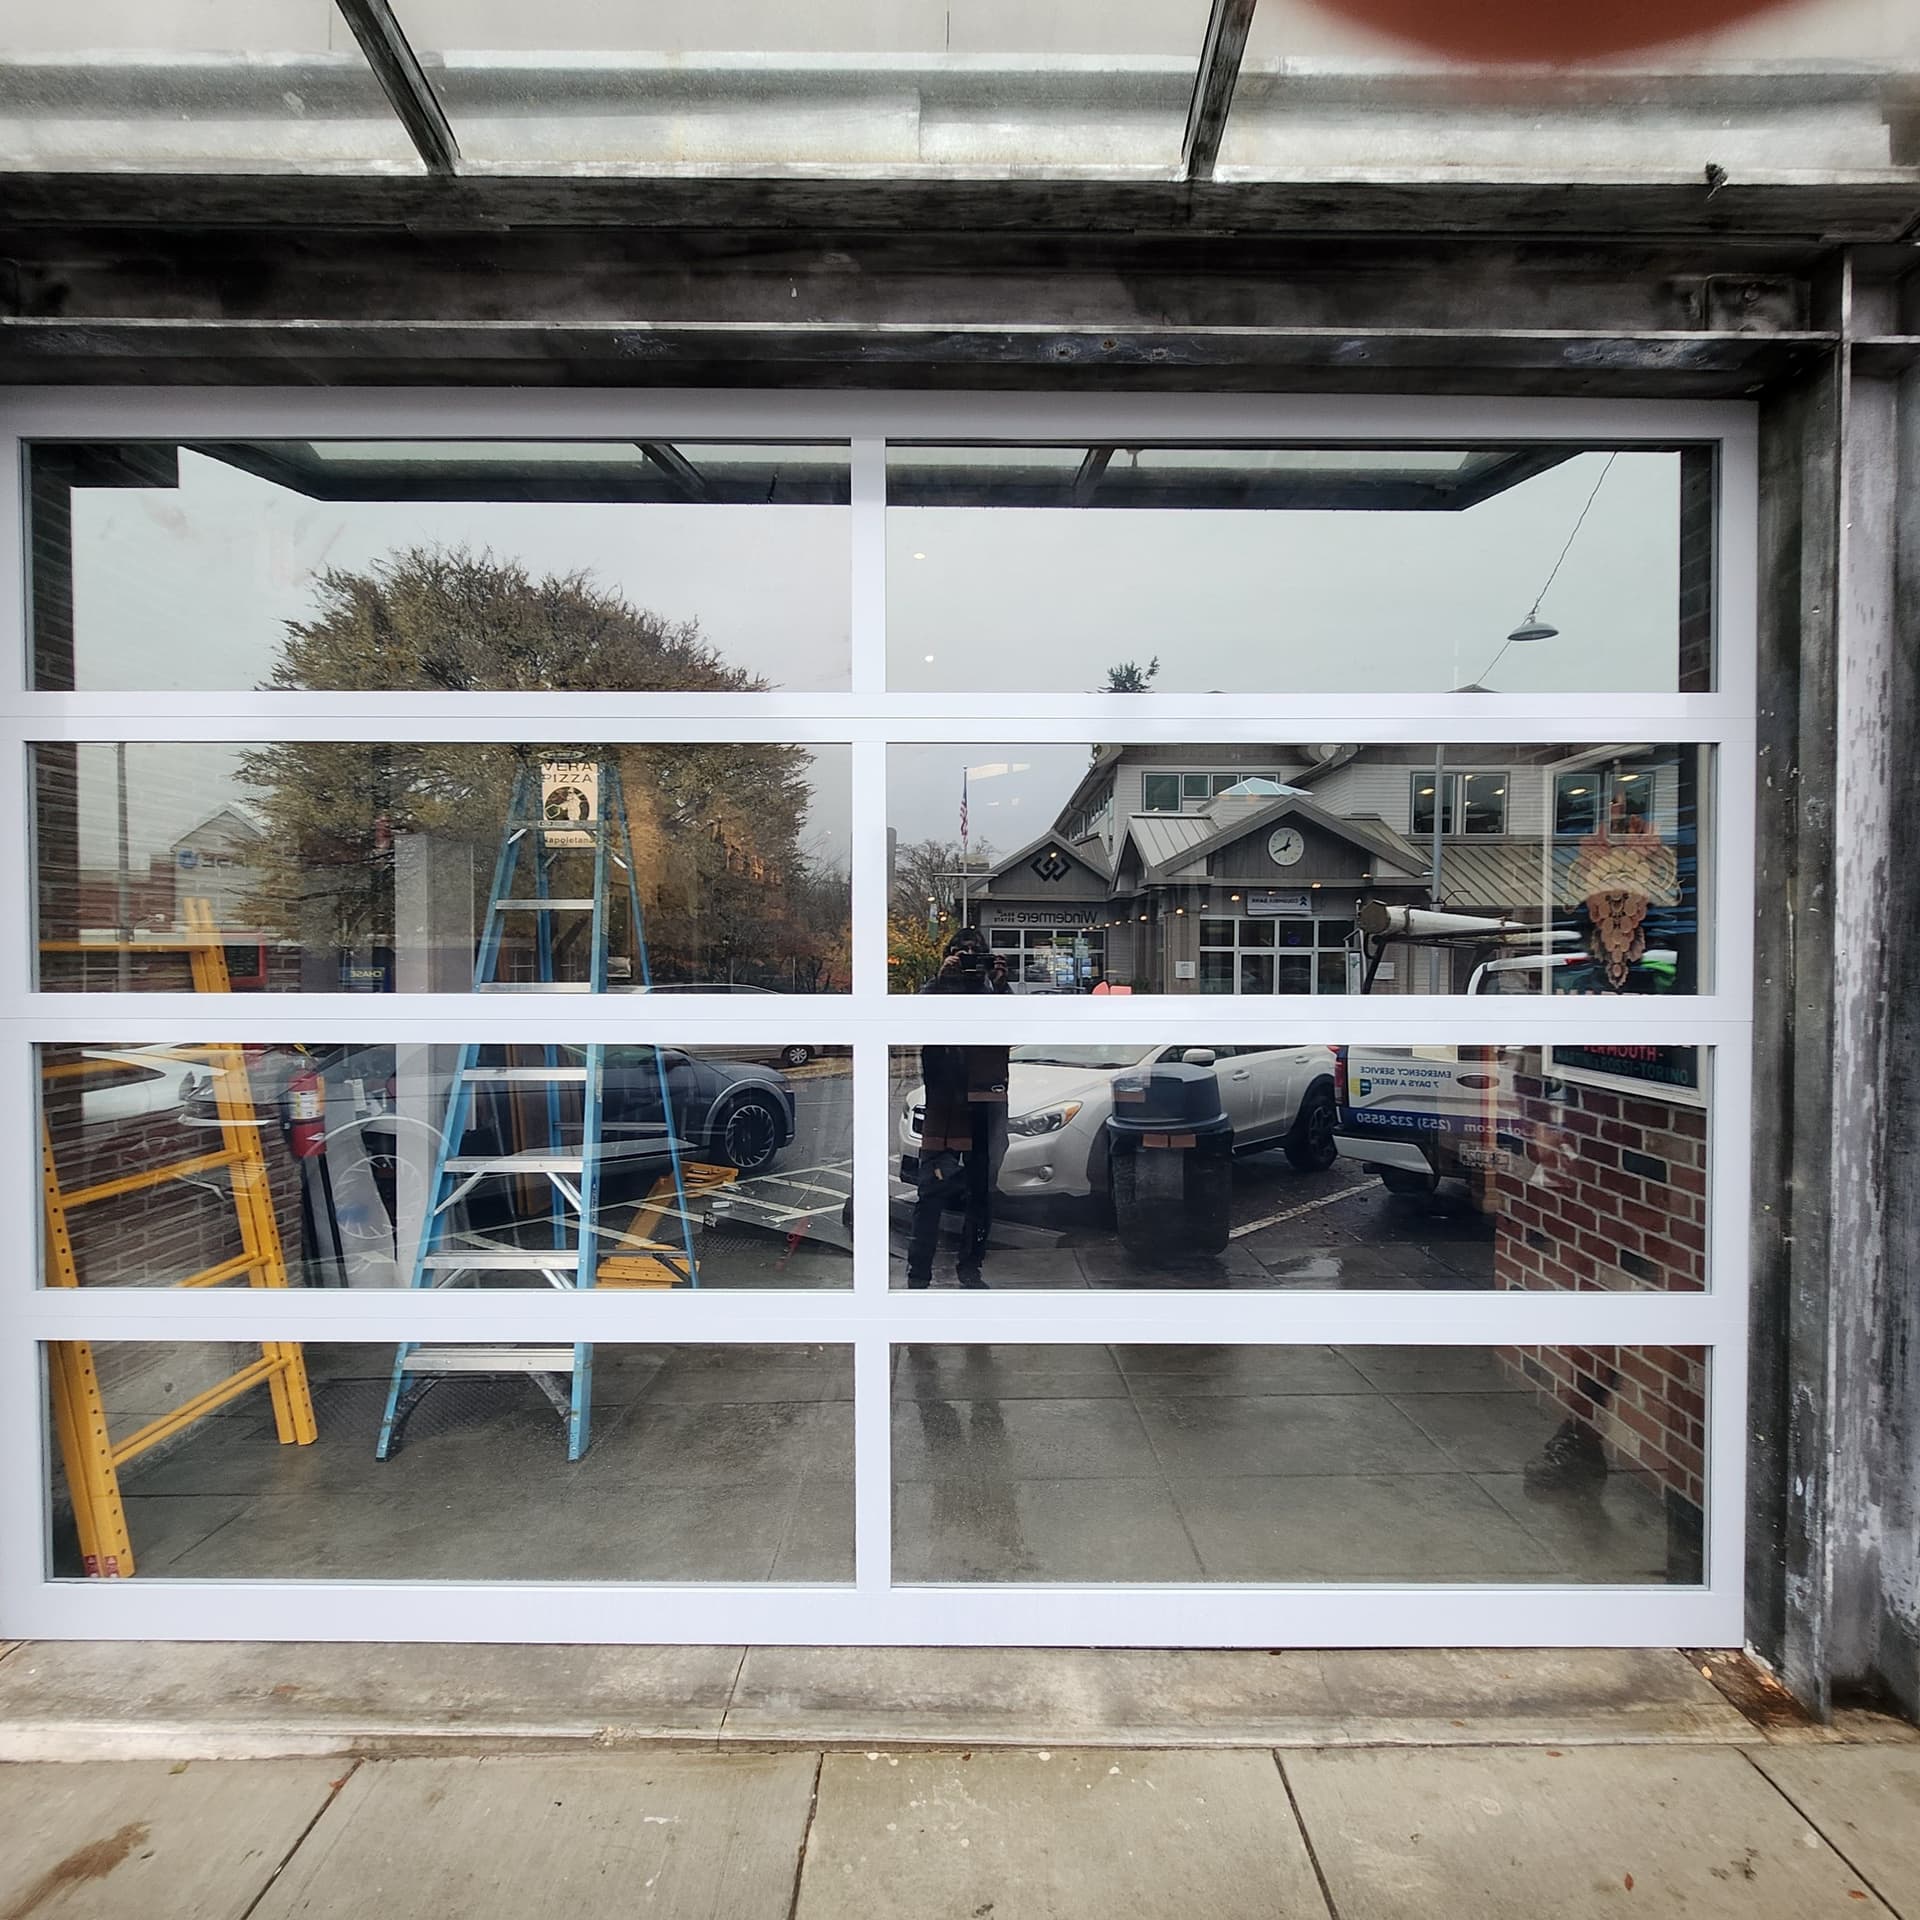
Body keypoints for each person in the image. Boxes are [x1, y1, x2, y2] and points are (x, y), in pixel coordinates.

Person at [906, 928, 1010, 1289]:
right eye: (960, 953)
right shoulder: (938, 989)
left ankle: (971, 1268)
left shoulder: (994, 990)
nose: (968, 960)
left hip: (985, 1100)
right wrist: (940, 980)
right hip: (945, 1101)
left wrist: (998, 986)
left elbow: (1011, 1033)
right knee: (930, 1191)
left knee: (982, 1192)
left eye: (975, 954)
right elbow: (912, 1023)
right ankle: (918, 1275)